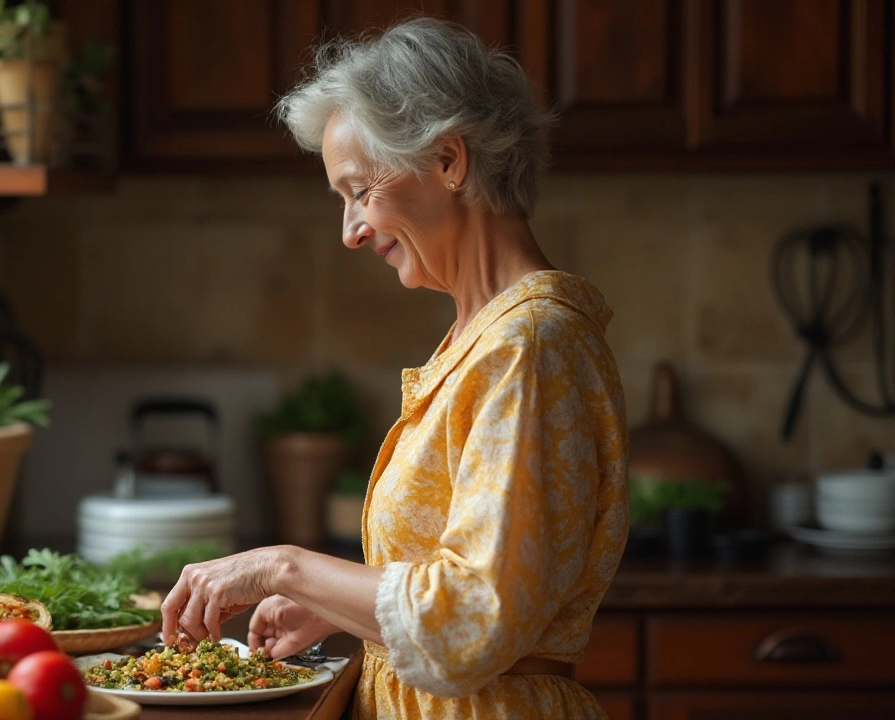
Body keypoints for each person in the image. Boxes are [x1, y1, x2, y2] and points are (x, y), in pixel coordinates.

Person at [160, 17, 628, 720]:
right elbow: (455, 582)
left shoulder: (530, 345)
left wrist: (283, 566)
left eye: (359, 191)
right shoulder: (483, 337)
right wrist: (340, 610)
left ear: (448, 160)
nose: (350, 231)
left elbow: (468, 626)